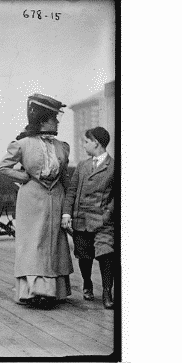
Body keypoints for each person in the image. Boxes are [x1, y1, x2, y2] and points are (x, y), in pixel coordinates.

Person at [0, 93, 73, 308]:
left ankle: (52, 292)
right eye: (54, 118)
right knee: (33, 244)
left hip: (56, 198)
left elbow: (65, 176)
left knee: (55, 243)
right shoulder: (22, 144)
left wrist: (68, 206)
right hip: (31, 200)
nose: (57, 122)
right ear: (43, 120)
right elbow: (3, 167)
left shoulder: (62, 147)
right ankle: (33, 292)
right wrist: (24, 177)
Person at [62, 127, 115, 309]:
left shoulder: (114, 167)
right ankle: (87, 283)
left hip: (103, 222)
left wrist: (107, 214)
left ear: (96, 143)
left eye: (86, 141)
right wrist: (67, 213)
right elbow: (71, 191)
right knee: (84, 257)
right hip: (81, 220)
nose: (83, 145)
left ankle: (107, 292)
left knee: (106, 254)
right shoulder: (82, 166)